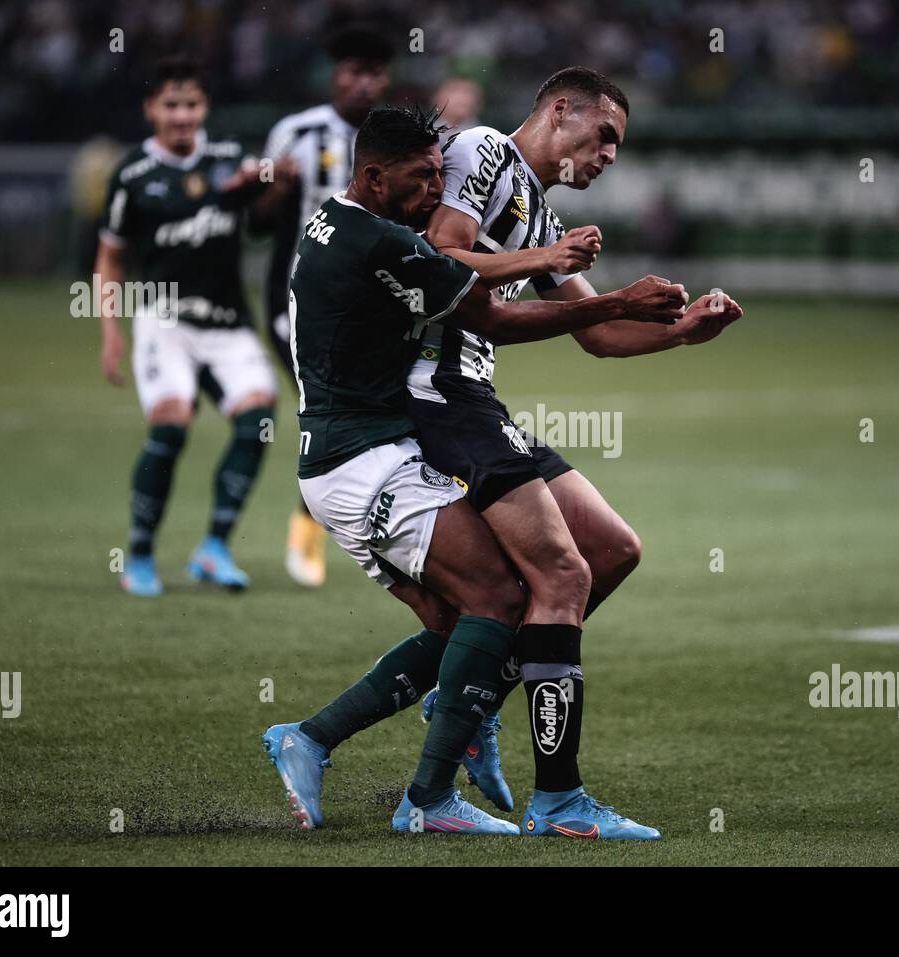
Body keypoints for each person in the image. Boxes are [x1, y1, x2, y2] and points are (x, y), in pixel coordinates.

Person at [261, 105, 687, 836]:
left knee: (523, 592)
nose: (438, 184)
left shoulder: (356, 224)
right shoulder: (392, 229)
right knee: (516, 589)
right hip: (371, 450)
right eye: (425, 175)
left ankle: (322, 736)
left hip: (382, 441)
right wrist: (567, 271)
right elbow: (481, 307)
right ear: (374, 176)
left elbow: (580, 328)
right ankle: (470, 795)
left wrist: (673, 328)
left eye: (440, 173)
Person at [414, 66, 742, 837]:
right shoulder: (485, 154)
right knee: (561, 572)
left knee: (611, 547)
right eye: (606, 137)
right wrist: (584, 280)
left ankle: (475, 692)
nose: (611, 156)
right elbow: (443, 259)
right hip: (432, 392)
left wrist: (682, 331)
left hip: (473, 399)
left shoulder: (533, 204)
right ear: (560, 111)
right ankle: (556, 797)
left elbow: (596, 332)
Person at [96, 55, 276, 596]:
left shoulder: (229, 160)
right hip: (164, 322)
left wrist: (272, 180)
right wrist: (110, 331)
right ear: (152, 109)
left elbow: (264, 214)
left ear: (205, 107)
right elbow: (110, 257)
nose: (181, 116)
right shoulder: (133, 175)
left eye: (191, 104)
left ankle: (215, 547)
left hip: (227, 324)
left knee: (257, 421)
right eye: (171, 105)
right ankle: (141, 555)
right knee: (171, 426)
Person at [251, 26, 394, 588]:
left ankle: (373, 525)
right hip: (300, 306)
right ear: (334, 75)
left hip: (377, 309)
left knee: (373, 415)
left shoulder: (395, 139)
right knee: (335, 415)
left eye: (375, 73)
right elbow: (257, 224)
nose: (364, 83)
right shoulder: (296, 133)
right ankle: (311, 531)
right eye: (353, 71)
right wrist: (276, 190)